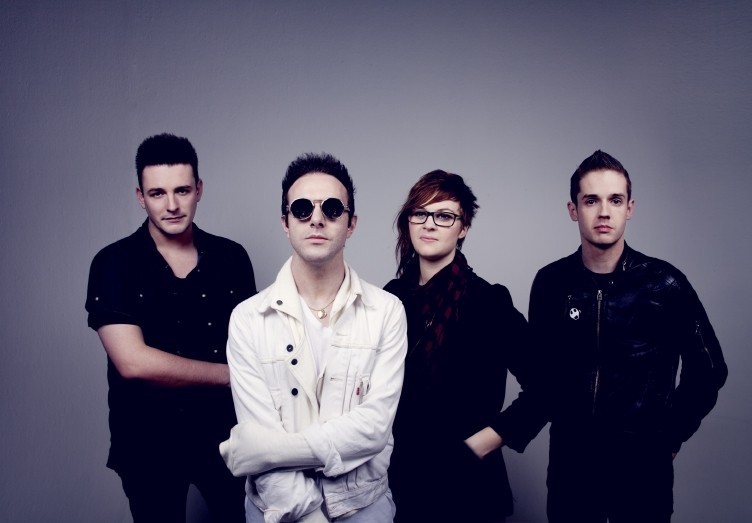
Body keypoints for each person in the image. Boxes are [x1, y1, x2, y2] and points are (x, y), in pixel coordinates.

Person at [493, 150, 728, 522]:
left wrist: (670, 435)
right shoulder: (552, 282)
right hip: (571, 470)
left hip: (642, 472)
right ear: (573, 210)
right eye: (591, 200)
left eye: (615, 200)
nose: (604, 212)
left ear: (629, 208)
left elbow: (710, 369)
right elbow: (543, 380)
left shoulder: (664, 284)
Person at [219, 153, 407, 523]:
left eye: (332, 209)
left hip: (364, 507)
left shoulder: (387, 311)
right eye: (302, 208)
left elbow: (373, 429)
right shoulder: (247, 319)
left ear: (351, 224)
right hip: (277, 509)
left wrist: (271, 451)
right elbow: (259, 432)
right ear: (285, 223)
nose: (316, 219)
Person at [85, 133, 256, 522]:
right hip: (147, 440)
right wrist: (231, 375)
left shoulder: (231, 257)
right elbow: (133, 362)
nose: (172, 205)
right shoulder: (113, 263)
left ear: (199, 190)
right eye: (157, 193)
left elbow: (253, 343)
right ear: (140, 196)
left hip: (227, 435)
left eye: (182, 190)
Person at [383, 170, 529, 523]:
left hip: (469, 488)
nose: (429, 224)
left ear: (463, 227)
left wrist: (481, 443)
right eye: (420, 213)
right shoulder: (390, 298)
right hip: (401, 485)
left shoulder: (488, 301)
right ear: (408, 221)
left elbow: (549, 385)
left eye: (444, 216)